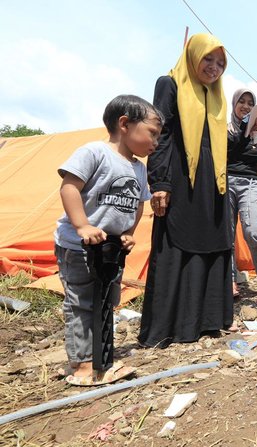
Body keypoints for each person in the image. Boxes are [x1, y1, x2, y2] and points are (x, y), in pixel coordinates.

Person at [55, 94, 162, 384]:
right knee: (81, 303)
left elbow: (138, 204)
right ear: (124, 123)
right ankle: (82, 366)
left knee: (106, 301)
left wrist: (128, 233)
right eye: (152, 133)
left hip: (111, 250)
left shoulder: (139, 168)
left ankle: (102, 357)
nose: (155, 142)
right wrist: (83, 226)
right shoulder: (94, 153)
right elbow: (69, 187)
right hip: (79, 247)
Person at [139, 33, 237, 349]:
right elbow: (161, 135)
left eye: (220, 63)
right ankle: (169, 327)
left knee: (213, 242)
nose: (214, 67)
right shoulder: (169, 84)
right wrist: (161, 183)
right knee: (176, 243)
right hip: (181, 175)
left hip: (214, 181)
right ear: (193, 56)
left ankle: (207, 321)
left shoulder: (217, 96)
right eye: (208, 59)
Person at [227, 88, 257, 303]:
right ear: (234, 104)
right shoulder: (225, 127)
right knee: (226, 234)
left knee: (253, 231)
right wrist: (244, 138)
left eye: (250, 103)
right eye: (241, 102)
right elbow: (225, 151)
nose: (245, 106)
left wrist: (239, 144)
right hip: (224, 182)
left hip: (251, 182)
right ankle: (230, 280)